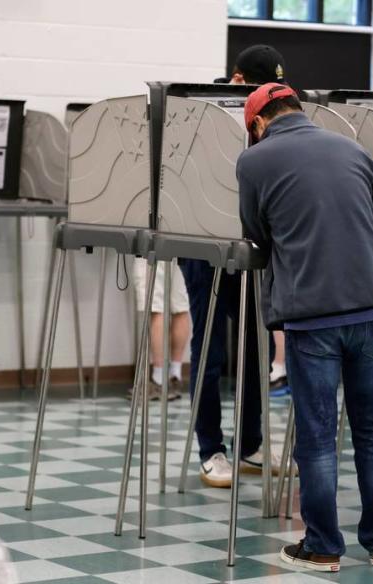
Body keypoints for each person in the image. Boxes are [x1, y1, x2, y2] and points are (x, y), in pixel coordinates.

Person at [239, 83, 373, 571]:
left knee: (316, 438)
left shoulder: (254, 161)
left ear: (259, 123)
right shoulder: (354, 148)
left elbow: (255, 232)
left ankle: (322, 547)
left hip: (311, 314)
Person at [180, 43, 286, 488]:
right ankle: (211, 450)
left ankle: (250, 445)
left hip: (249, 247)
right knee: (209, 348)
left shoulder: (264, 115)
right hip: (204, 245)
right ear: (239, 80)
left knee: (254, 347)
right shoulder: (200, 110)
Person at [130, 259, 189, 401]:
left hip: (155, 240)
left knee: (155, 307)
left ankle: (159, 380)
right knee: (180, 307)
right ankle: (175, 376)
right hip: (187, 242)